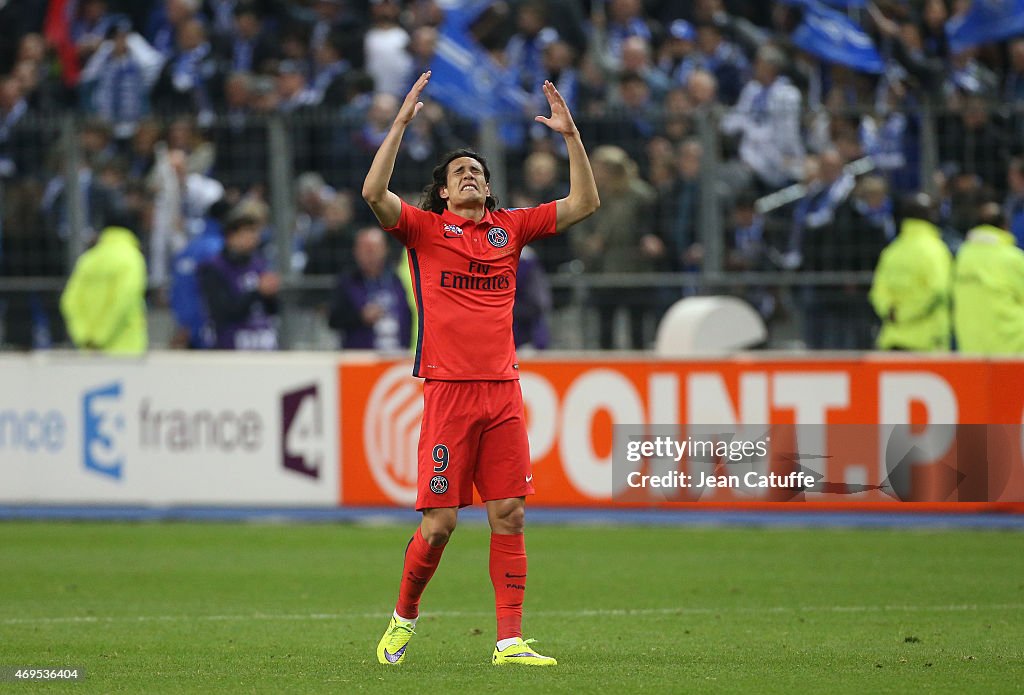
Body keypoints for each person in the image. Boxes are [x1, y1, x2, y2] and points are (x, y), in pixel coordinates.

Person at [363, 72, 599, 667]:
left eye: (479, 171)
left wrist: (571, 136)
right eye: (458, 171)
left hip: (502, 392)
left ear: (489, 191)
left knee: (510, 514)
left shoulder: (510, 228)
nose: (470, 173)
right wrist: (398, 126)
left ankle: (509, 641)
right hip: (447, 393)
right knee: (439, 526)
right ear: (442, 193)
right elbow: (373, 194)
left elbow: (585, 204)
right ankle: (403, 617)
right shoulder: (423, 231)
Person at [60, 202, 148, 354]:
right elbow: (123, 301)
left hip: (87, 349)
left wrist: (84, 336)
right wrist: (100, 337)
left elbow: (69, 301)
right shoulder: (132, 258)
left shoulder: (88, 259)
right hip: (126, 350)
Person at [869, 193, 953, 351]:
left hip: (893, 338)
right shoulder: (935, 250)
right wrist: (906, 313)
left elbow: (878, 291)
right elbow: (937, 290)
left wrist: (892, 312)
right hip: (927, 342)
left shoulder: (893, 250)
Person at [197, 213, 280, 350]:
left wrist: (271, 294)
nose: (253, 238)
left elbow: (272, 310)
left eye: (255, 232)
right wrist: (258, 292)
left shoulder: (260, 264)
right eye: (247, 233)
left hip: (263, 343)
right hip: (230, 345)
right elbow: (223, 311)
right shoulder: (214, 268)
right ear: (231, 236)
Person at [952, 203, 1024, 354]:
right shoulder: (1012, 258)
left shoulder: (962, 256)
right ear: (1005, 226)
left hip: (970, 347)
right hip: (1013, 349)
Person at [327, 227, 411, 351]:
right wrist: (360, 317)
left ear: (385, 250)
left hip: (398, 357)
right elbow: (334, 319)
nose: (370, 254)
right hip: (361, 359)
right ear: (356, 251)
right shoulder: (347, 282)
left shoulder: (397, 280)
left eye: (374, 249)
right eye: (365, 249)